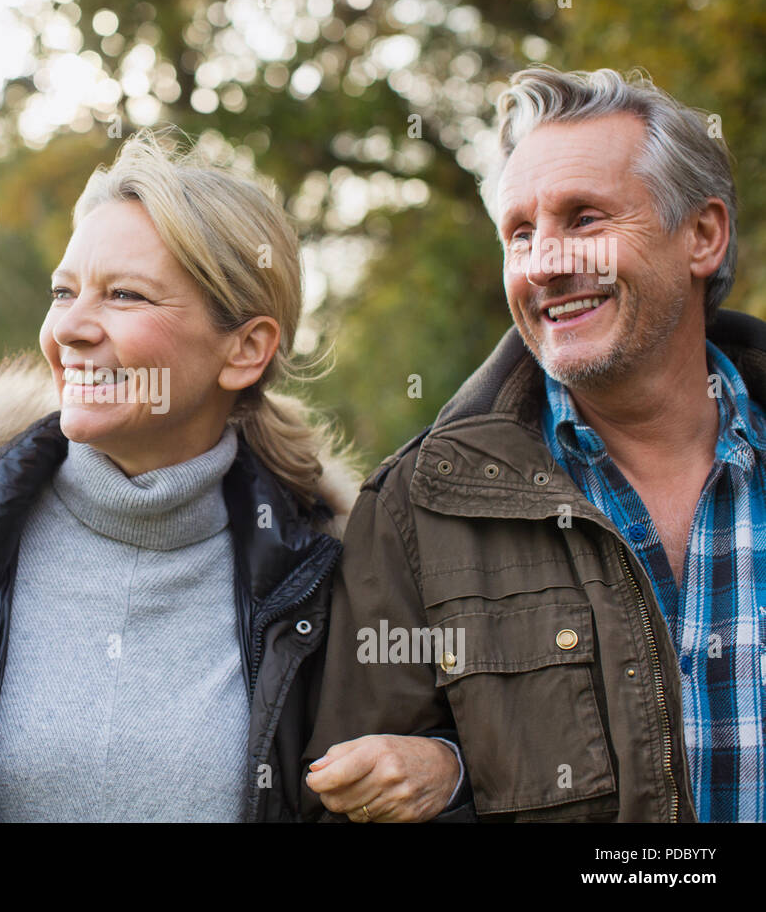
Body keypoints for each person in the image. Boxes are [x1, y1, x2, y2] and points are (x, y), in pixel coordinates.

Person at [0, 129, 467, 822]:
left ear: (246, 349)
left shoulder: (340, 589)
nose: (70, 328)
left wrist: (448, 771)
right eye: (63, 291)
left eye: (124, 295)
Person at [304, 65, 766, 822]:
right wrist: (452, 781)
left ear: (703, 236)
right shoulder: (415, 511)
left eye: (584, 219)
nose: (545, 265)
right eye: (521, 233)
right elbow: (340, 803)